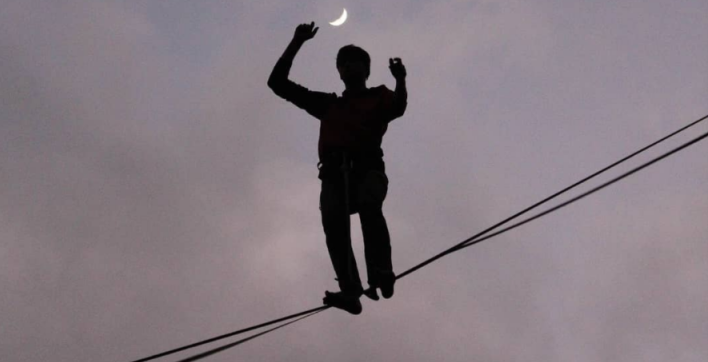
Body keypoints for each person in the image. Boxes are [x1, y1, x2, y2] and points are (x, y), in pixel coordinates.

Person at [267, 21, 407, 315]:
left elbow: (397, 108)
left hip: (368, 169)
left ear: (366, 71)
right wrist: (297, 42)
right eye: (344, 64)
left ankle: (381, 271)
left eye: (356, 63)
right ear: (339, 72)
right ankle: (350, 289)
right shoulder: (329, 105)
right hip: (334, 174)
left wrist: (400, 80)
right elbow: (278, 84)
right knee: (334, 223)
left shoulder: (379, 96)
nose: (350, 67)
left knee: (370, 208)